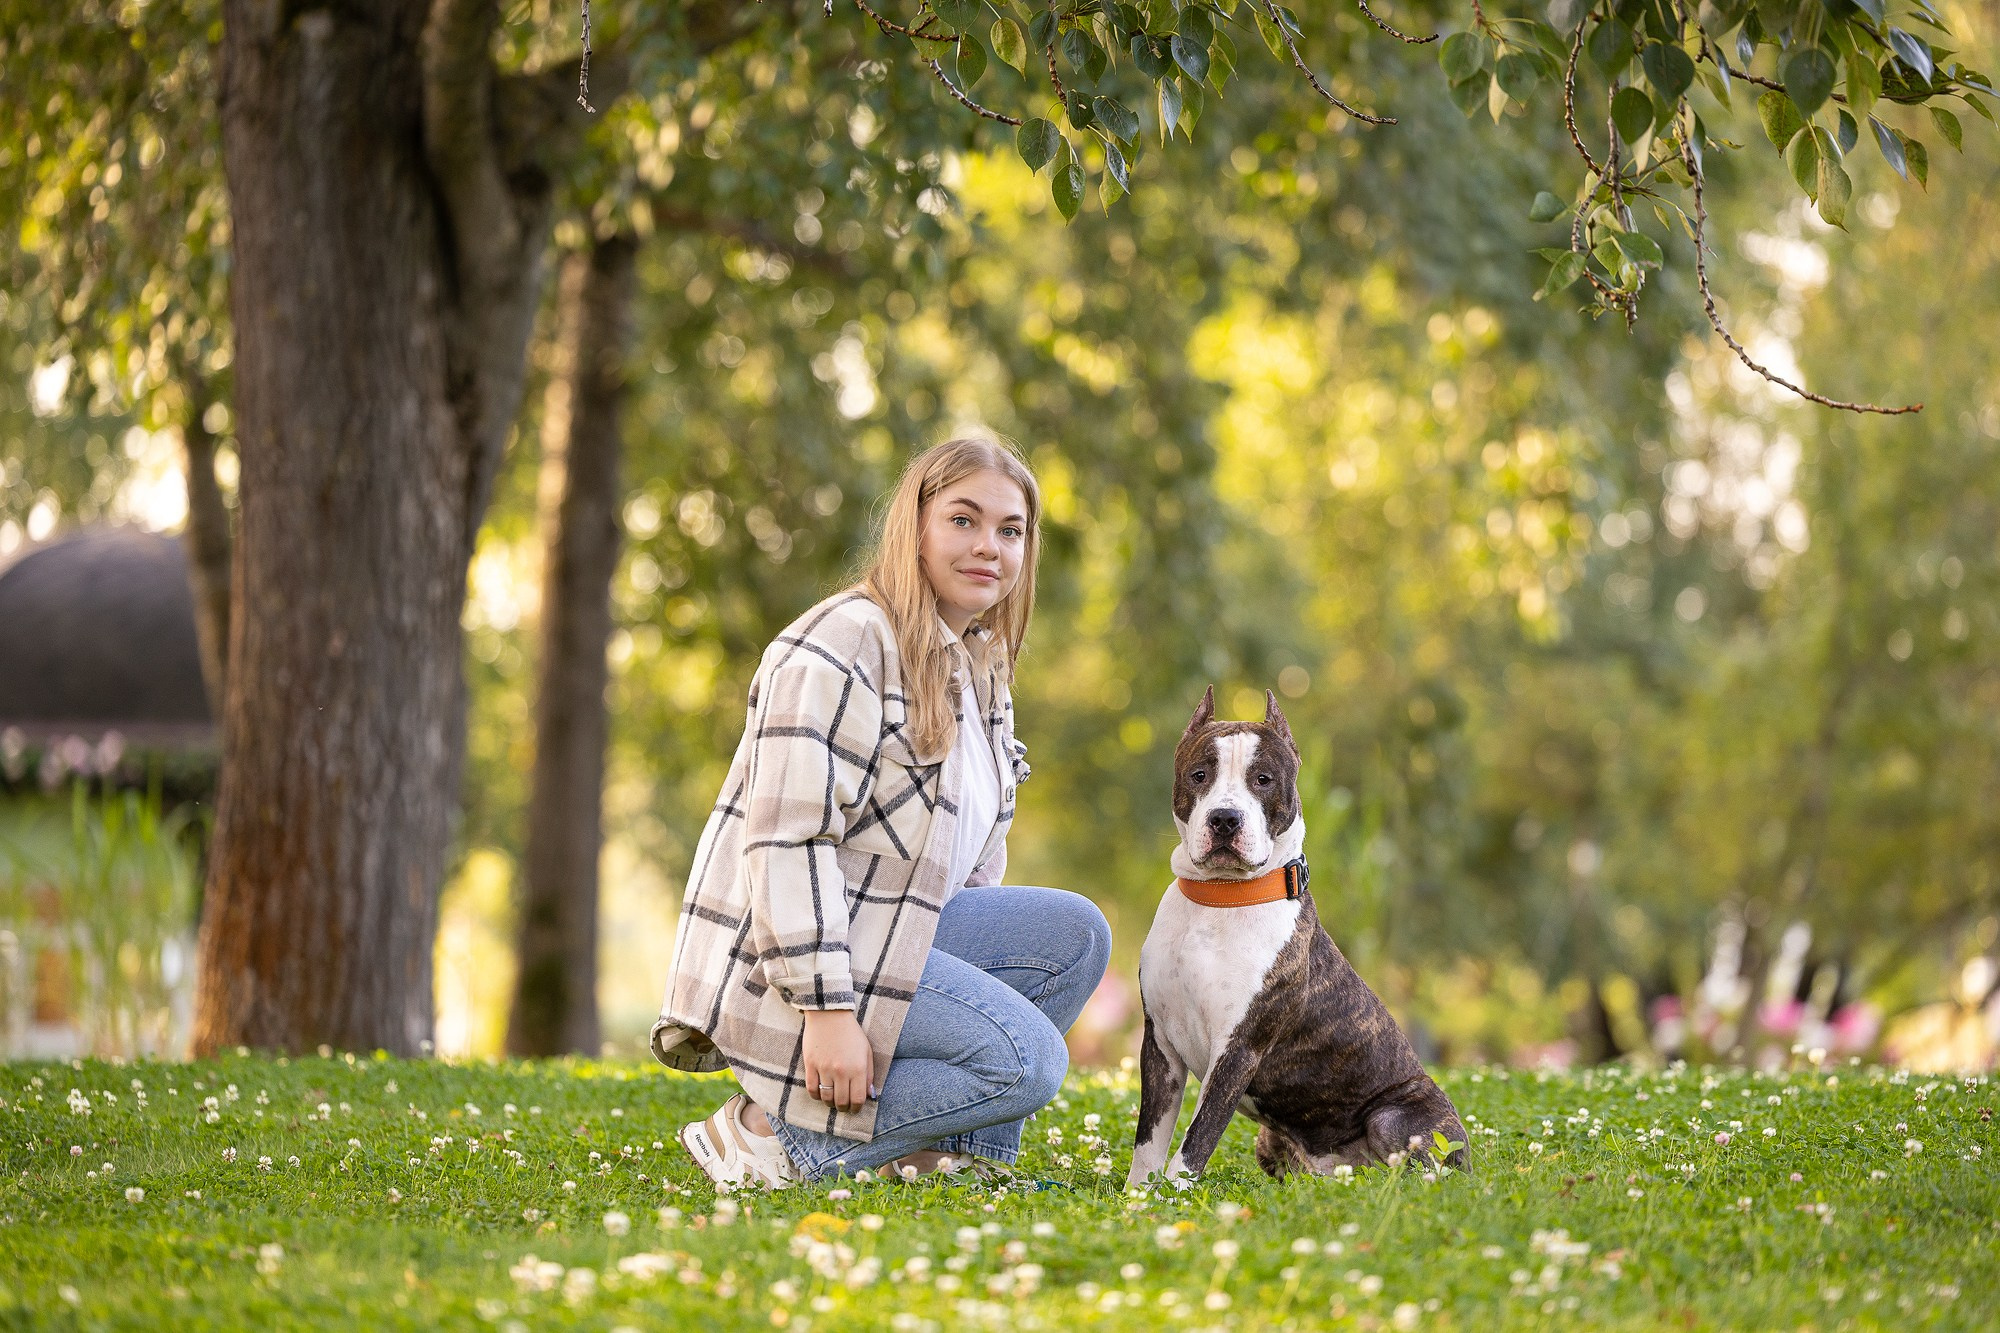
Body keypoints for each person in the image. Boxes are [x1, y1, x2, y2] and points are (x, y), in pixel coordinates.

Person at [652, 437, 1111, 1187]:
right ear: (916, 527)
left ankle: (947, 1156)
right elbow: (786, 843)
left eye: (1010, 529)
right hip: (797, 962)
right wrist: (827, 1011)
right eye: (963, 520)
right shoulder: (844, 643)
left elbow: (965, 860)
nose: (988, 547)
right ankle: (767, 1137)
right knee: (1028, 1059)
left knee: (1075, 934)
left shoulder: (980, 662)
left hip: (896, 936)